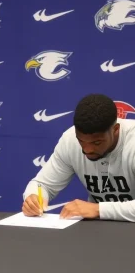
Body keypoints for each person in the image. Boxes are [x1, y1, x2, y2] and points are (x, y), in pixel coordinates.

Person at [23, 93, 135, 222]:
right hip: (98, 229)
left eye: (97, 143)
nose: (87, 150)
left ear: (115, 130)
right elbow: (42, 184)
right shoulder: (69, 140)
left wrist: (98, 209)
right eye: (81, 140)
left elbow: (96, 210)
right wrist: (34, 197)